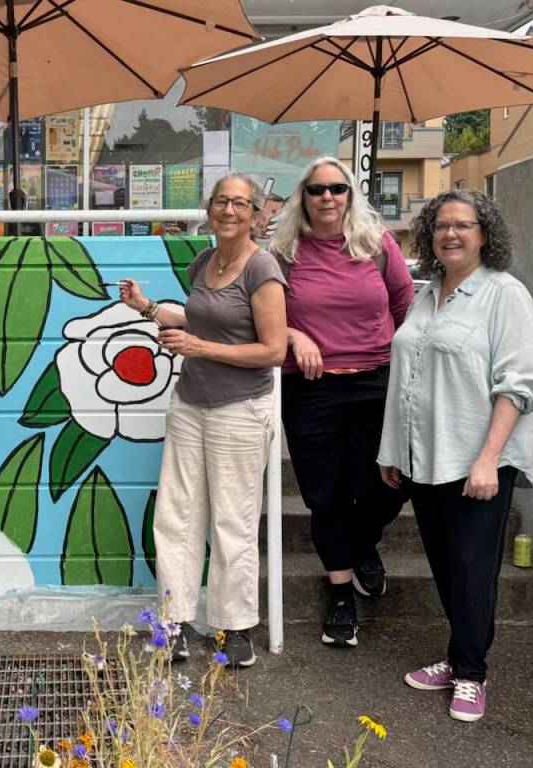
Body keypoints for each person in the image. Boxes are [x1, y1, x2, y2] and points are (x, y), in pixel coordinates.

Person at [378, 190, 533, 723]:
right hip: (424, 456)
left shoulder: (505, 295)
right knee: (447, 567)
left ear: (485, 233)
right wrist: (392, 448)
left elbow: (517, 386)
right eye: (441, 226)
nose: (450, 234)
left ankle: (471, 673)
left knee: (473, 570)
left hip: (477, 459)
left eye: (463, 225)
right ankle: (457, 657)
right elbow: (404, 376)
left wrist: (488, 459)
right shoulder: (427, 295)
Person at [120, 172, 287, 668]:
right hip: (191, 404)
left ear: (258, 214)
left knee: (232, 521)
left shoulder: (263, 269)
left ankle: (235, 628)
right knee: (176, 519)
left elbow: (273, 350)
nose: (229, 210)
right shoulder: (203, 262)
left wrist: (198, 348)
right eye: (221, 201)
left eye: (240, 203)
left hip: (240, 409)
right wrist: (148, 308)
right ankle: (172, 623)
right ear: (209, 209)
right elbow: (202, 318)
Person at [269, 157, 413, 649]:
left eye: (338, 188)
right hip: (312, 389)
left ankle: (362, 543)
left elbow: (406, 308)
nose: (328, 197)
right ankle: (339, 600)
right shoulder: (283, 252)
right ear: (303, 197)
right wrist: (293, 335)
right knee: (324, 493)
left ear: (350, 195)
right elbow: (260, 316)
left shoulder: (377, 245)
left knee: (388, 482)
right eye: (317, 189)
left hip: (377, 381)